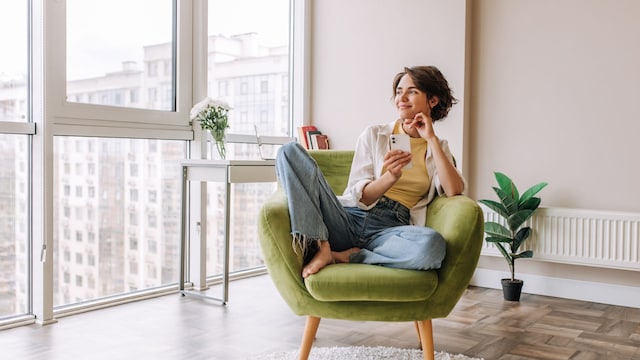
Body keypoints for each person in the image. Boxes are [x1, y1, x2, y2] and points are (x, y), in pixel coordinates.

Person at [275, 65, 465, 278]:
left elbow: (454, 190)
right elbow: (361, 197)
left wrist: (431, 138)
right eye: (399, 91)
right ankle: (322, 247)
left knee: (433, 246)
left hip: (390, 231)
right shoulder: (375, 134)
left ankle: (349, 256)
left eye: (412, 91)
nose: (402, 97)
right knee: (288, 151)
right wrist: (390, 177)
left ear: (432, 100)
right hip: (347, 219)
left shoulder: (439, 147)